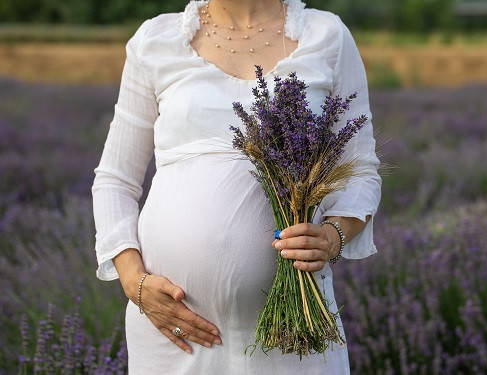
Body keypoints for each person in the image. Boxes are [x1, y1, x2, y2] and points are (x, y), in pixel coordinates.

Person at [91, 0, 382, 373]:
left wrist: (332, 236)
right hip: (175, 332)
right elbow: (116, 178)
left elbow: (360, 170)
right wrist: (134, 280)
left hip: (294, 328)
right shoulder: (156, 40)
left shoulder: (327, 36)